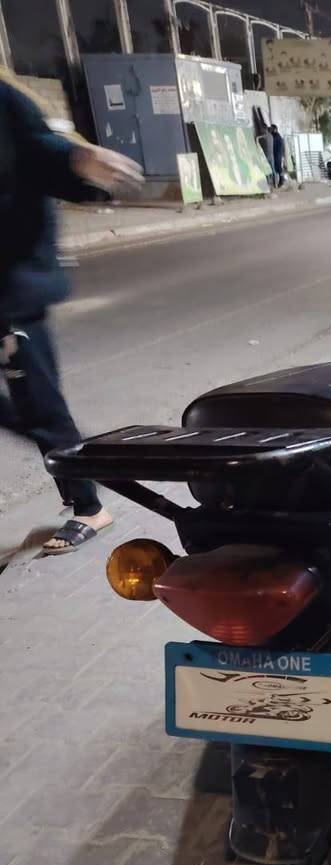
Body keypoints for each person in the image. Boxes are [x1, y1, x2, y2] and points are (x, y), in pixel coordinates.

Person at [0, 70, 142, 553]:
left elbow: (38, 145)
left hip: (11, 286)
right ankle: (83, 459)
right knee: (29, 409)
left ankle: (89, 505)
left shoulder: (5, 99)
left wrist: (76, 158)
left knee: (40, 405)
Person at [269, 124, 285, 188]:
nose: (270, 130)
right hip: (277, 154)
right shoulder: (276, 136)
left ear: (275, 129)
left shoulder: (277, 137)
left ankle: (281, 180)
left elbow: (272, 143)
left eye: (271, 129)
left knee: (278, 167)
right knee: (277, 168)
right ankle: (280, 180)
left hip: (277, 155)